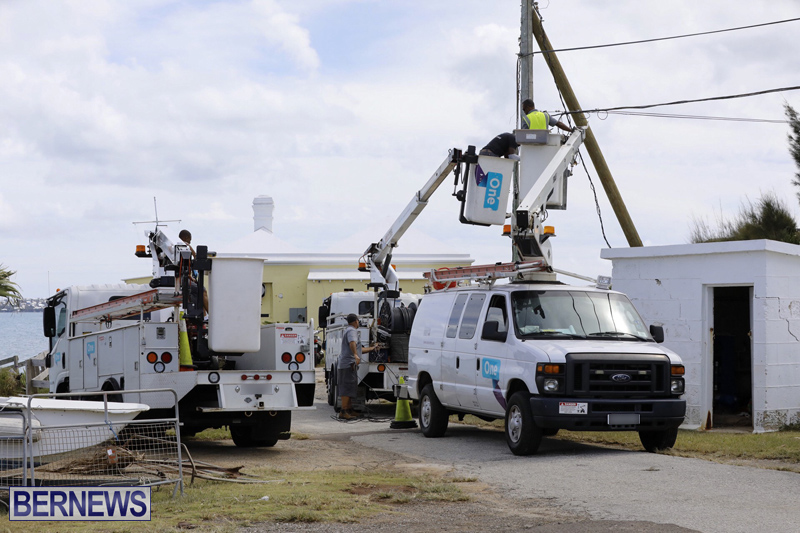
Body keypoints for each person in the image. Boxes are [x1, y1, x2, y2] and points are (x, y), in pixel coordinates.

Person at [338, 313, 379, 420]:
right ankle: (343, 411)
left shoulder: (349, 330)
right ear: (356, 321)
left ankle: (349, 409)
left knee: (350, 387)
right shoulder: (352, 331)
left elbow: (359, 349)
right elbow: (352, 343)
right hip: (348, 364)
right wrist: (355, 355)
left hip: (348, 364)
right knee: (347, 387)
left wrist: (372, 348)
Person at [178, 229, 209, 314]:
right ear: (186, 237)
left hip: (182, 278)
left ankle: (203, 316)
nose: (190, 242)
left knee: (199, 293)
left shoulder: (176, 248)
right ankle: (212, 315)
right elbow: (196, 257)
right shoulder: (185, 246)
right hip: (181, 280)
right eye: (190, 240)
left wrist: (191, 278)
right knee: (203, 291)